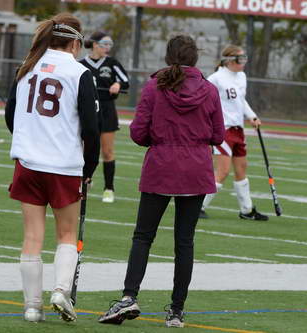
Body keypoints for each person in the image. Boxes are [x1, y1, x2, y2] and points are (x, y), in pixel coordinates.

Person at [98, 35, 224, 328]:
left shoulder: (155, 86)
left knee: (143, 236)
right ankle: (177, 311)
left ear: (169, 58)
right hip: (195, 169)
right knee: (185, 242)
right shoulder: (209, 90)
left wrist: (163, 140)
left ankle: (129, 297)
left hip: (161, 167)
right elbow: (218, 135)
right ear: (195, 58)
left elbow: (138, 132)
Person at [4, 13, 100, 323]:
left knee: (32, 236)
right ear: (75, 42)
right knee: (67, 233)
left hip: (28, 164)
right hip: (63, 166)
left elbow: (10, 114)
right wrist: (90, 168)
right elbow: (91, 129)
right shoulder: (79, 72)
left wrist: (30, 139)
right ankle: (61, 290)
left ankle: (32, 307)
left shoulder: (27, 67)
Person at [200, 45, 268, 221]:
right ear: (228, 61)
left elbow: (241, 100)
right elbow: (203, 103)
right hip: (222, 130)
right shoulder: (215, 78)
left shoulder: (241, 77)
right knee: (222, 171)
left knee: (241, 169)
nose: (243, 63)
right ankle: (198, 206)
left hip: (238, 129)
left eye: (245, 58)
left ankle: (246, 210)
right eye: (240, 59)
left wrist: (252, 116)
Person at [80, 32, 129, 203]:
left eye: (110, 44)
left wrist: (117, 84)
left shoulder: (112, 63)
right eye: (104, 44)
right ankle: (86, 180)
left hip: (107, 109)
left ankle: (109, 188)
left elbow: (125, 80)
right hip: (87, 110)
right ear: (94, 44)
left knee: (107, 151)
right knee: (84, 148)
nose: (107, 48)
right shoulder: (81, 64)